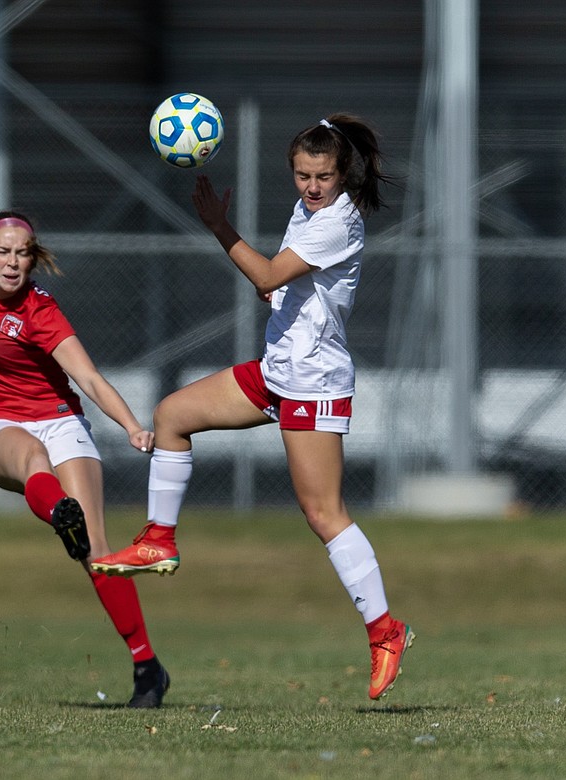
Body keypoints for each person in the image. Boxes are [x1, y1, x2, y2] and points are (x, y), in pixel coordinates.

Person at [91, 114, 414, 701]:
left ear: (342, 175)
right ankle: (159, 538)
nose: (312, 186)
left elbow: (266, 269)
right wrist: (277, 286)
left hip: (314, 382)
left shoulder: (336, 221)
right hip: (278, 370)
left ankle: (385, 631)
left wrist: (220, 226)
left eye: (322, 176)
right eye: (302, 175)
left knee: (323, 514)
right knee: (172, 416)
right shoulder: (310, 211)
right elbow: (279, 281)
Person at [0, 209, 169, 708]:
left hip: (60, 420)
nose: (13, 263)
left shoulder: (41, 313)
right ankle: (61, 511)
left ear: (32, 259)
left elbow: (91, 379)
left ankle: (148, 667)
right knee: (32, 457)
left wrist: (132, 428)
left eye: (23, 254)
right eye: (3, 252)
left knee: (98, 552)